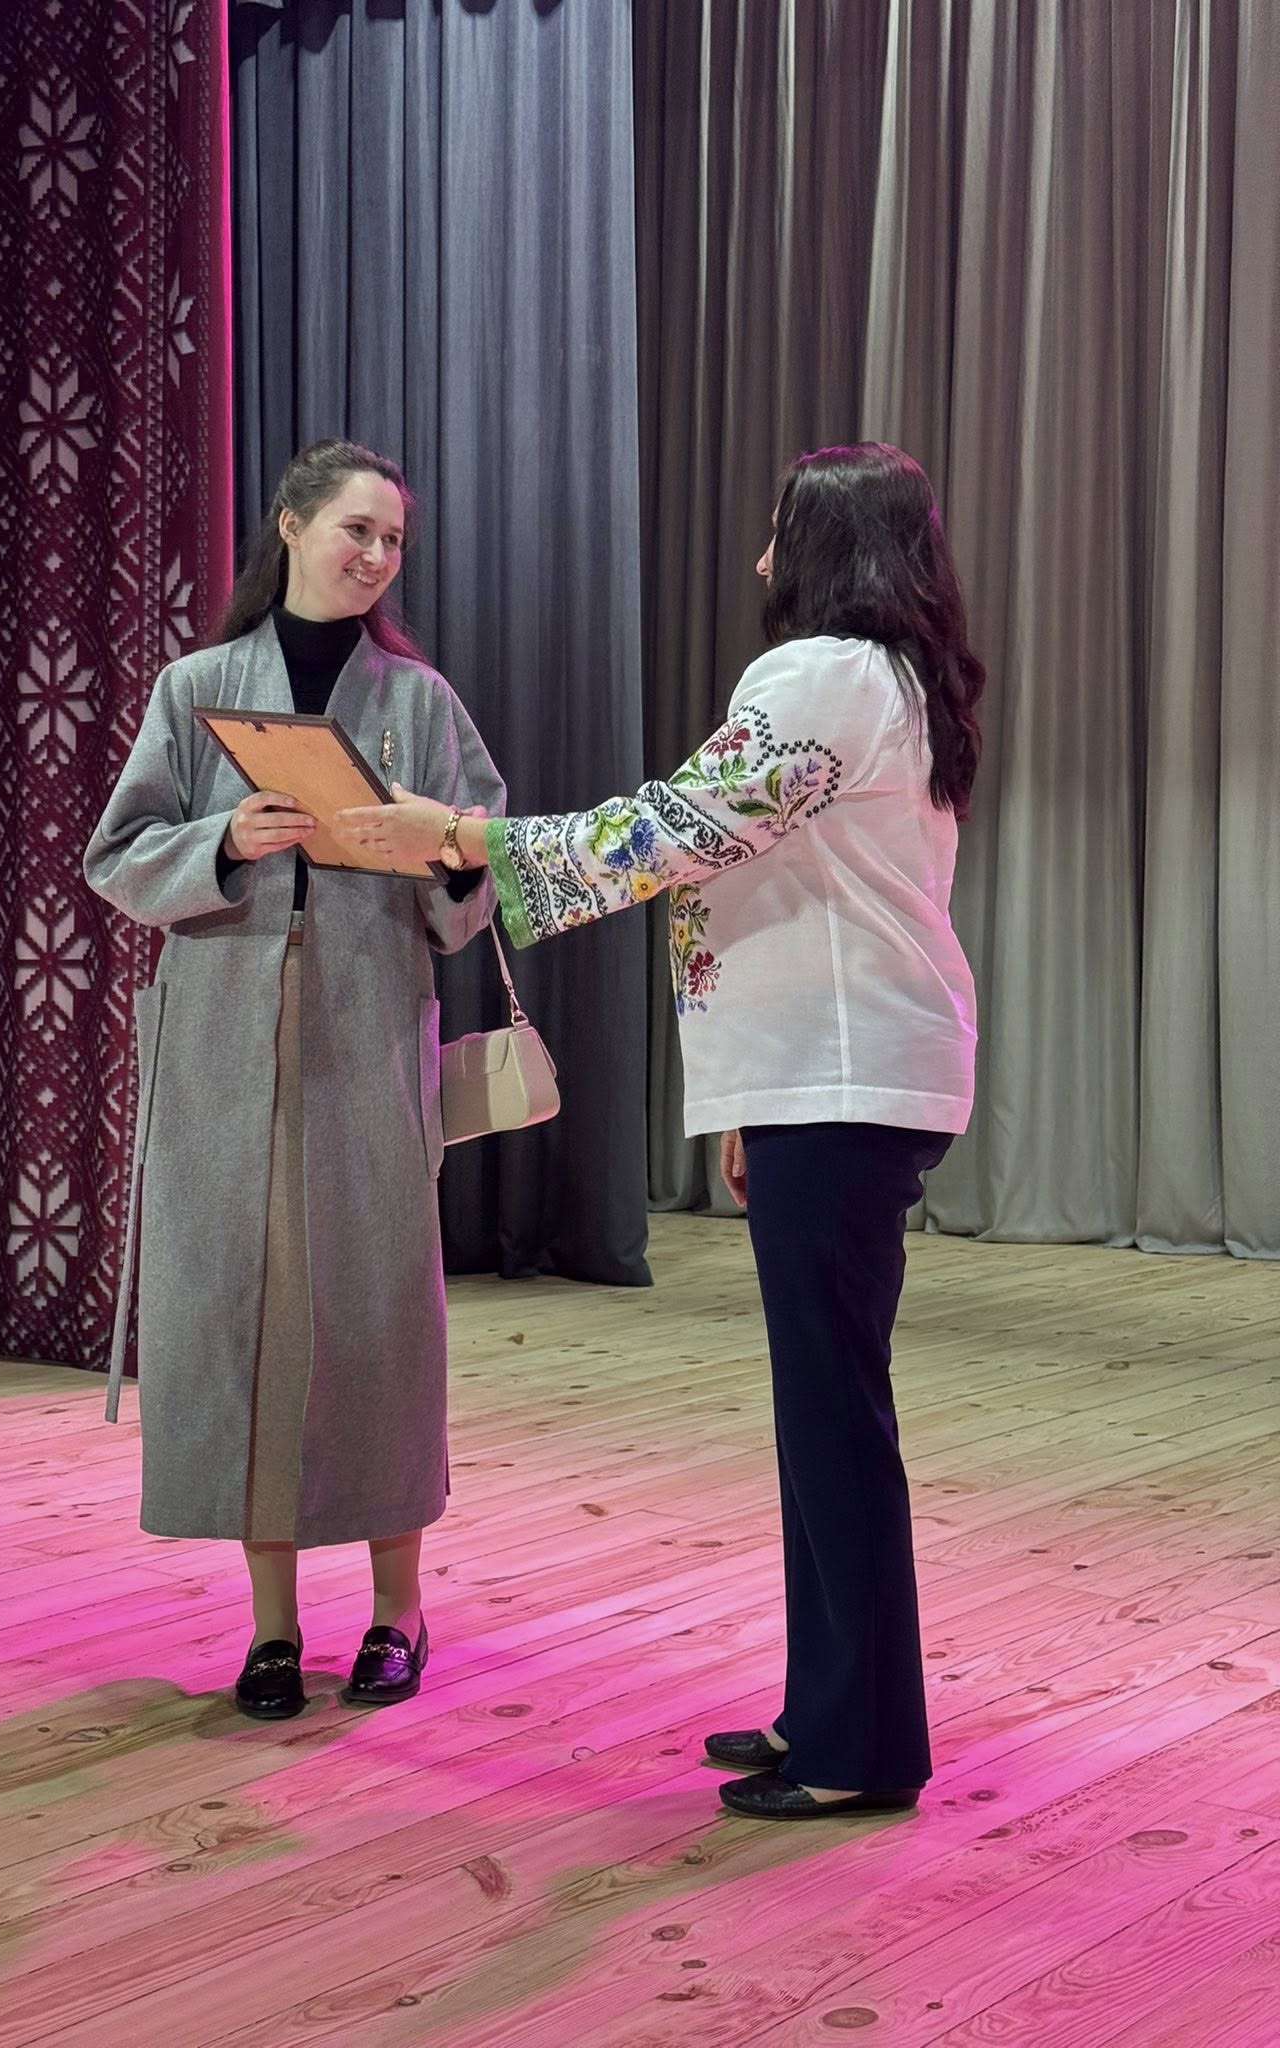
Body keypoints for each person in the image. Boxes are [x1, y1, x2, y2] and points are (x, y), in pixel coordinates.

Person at [338, 442, 984, 1818]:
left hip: (839, 1076)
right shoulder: (895, 679)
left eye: (778, 531)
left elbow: (679, 830)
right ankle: (829, 1711)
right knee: (825, 1414)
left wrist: (470, 839)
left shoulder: (821, 674)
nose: (759, 557)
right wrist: (752, 1103)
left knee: (834, 1419)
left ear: (827, 546)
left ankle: (861, 1747)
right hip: (836, 1078)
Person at [84, 439, 504, 1721]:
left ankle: (398, 1610)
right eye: (356, 530)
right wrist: (224, 836)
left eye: (393, 540)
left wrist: (436, 849)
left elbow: (481, 860)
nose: (376, 555)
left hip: (367, 1028)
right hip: (222, 1034)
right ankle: (273, 1628)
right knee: (241, 1314)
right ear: (291, 525)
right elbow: (119, 852)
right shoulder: (199, 686)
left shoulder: (417, 699)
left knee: (380, 1314)